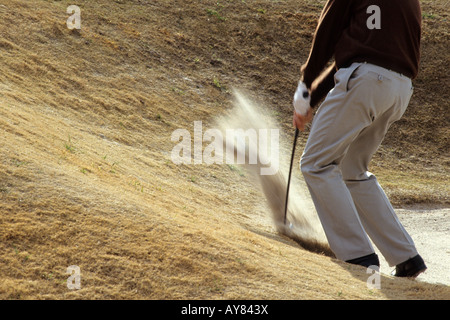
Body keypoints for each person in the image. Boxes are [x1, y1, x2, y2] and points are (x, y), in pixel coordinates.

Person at [292, 0, 427, 277]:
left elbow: (328, 34)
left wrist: (305, 86)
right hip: (399, 90)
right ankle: (406, 256)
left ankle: (358, 257)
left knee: (317, 164)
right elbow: (359, 53)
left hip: (365, 81)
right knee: (352, 170)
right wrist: (312, 98)